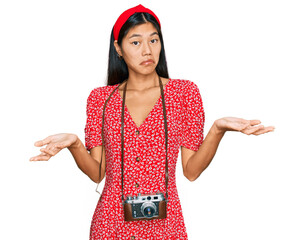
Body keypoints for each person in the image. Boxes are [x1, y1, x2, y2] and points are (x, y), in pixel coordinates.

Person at [29, 4, 275, 239]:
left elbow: (191, 171)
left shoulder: (184, 93)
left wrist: (217, 129)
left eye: (153, 40)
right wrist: (74, 144)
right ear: (119, 48)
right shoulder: (101, 99)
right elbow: (97, 173)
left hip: (166, 227)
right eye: (136, 42)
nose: (147, 50)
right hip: (111, 225)